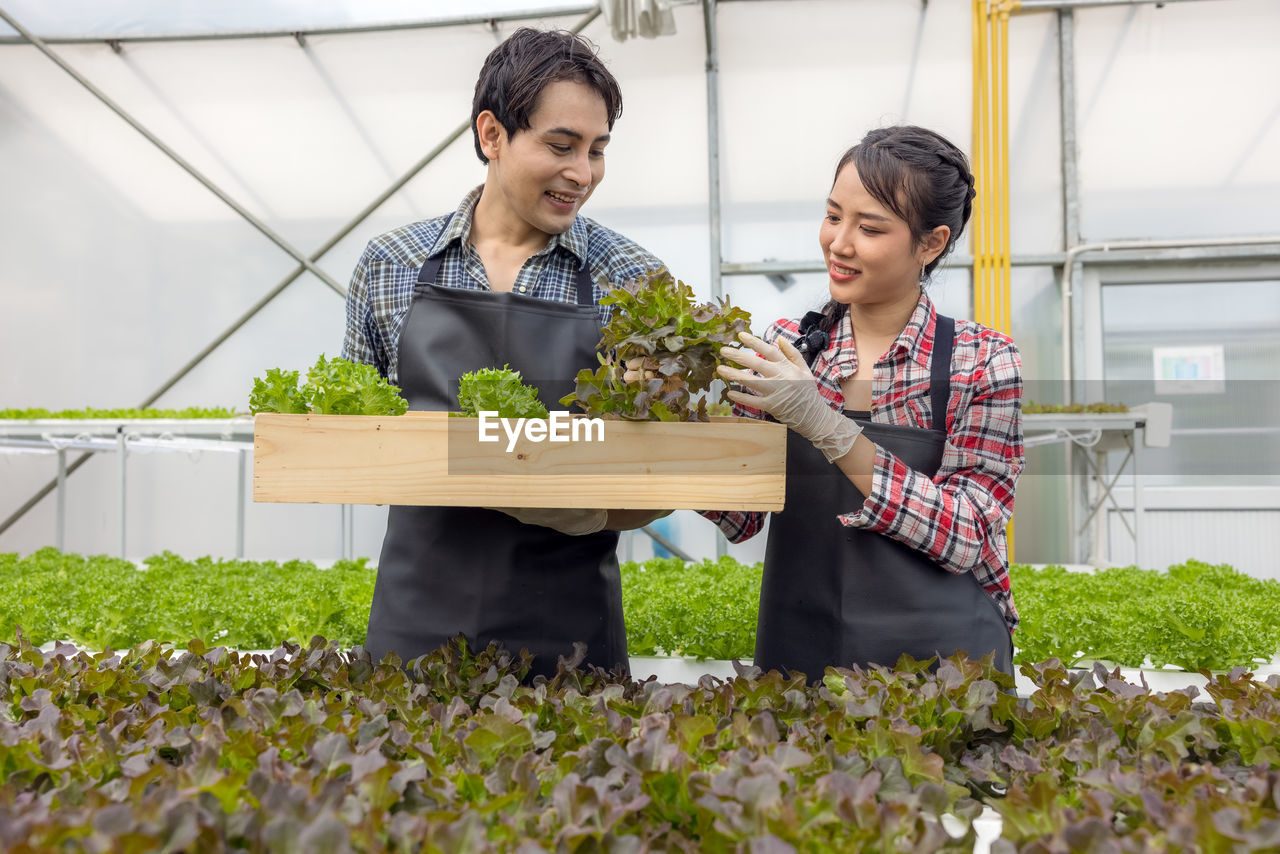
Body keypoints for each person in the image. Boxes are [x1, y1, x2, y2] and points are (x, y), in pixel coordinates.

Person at [341, 28, 667, 680]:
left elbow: (664, 474)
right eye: (561, 145)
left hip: (571, 641)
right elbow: (351, 449)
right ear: (492, 136)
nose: (583, 173)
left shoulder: (635, 281)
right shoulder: (390, 266)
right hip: (417, 628)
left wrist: (582, 506)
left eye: (598, 150)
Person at [704, 126, 1024, 680]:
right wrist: (674, 422)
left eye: (869, 227)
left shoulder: (981, 361)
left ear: (931, 243)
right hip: (802, 652)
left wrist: (822, 423)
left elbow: (966, 535)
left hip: (942, 668)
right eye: (833, 216)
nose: (839, 243)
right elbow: (741, 515)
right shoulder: (791, 348)